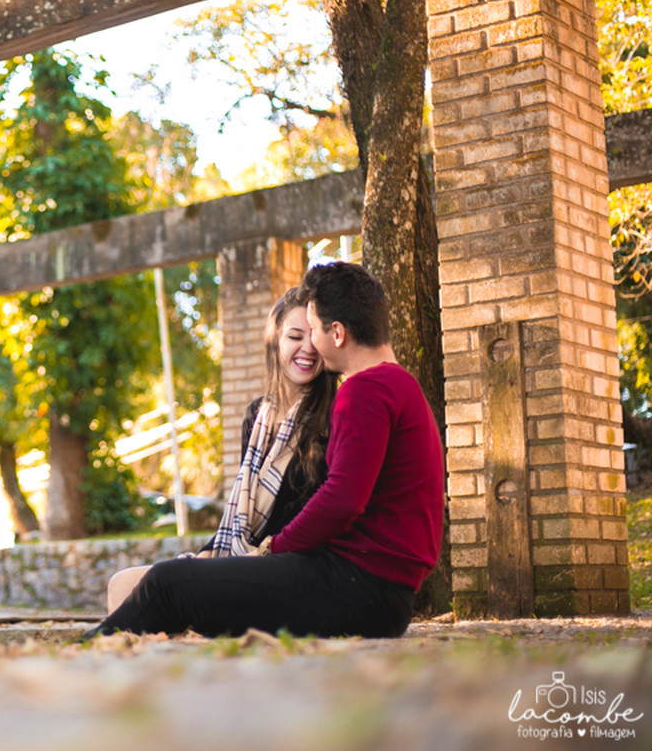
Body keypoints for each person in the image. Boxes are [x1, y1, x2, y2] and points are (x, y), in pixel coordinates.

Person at [85, 262, 444, 640]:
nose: (312, 344)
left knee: (168, 584)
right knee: (160, 585)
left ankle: (81, 657)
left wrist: (273, 548)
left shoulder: (363, 391)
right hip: (371, 587)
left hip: (358, 586)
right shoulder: (398, 385)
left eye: (315, 329)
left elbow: (342, 500)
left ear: (336, 333)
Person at [104, 285, 339, 612]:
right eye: (294, 336)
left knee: (159, 593)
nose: (307, 348)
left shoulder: (334, 415)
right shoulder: (257, 416)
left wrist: (244, 561)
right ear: (274, 342)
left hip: (289, 569)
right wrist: (208, 554)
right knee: (124, 584)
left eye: (314, 337)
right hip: (243, 559)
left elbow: (316, 517)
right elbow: (243, 511)